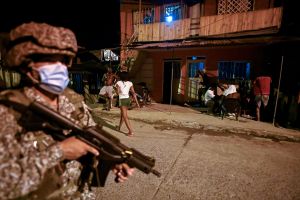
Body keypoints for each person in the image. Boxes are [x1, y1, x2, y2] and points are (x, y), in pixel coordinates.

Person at [0, 22, 134, 199]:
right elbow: (4, 184)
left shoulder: (73, 100)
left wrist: (112, 160)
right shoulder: (8, 111)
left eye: (64, 60)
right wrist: (59, 151)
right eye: (50, 59)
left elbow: (94, 139)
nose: (60, 67)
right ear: (27, 65)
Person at [115, 71, 140, 136]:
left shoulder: (118, 82)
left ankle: (131, 131)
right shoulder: (130, 83)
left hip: (122, 100)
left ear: (121, 76)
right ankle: (119, 127)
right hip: (127, 99)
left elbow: (118, 93)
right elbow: (134, 93)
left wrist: (119, 90)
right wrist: (137, 103)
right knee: (123, 115)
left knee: (125, 116)